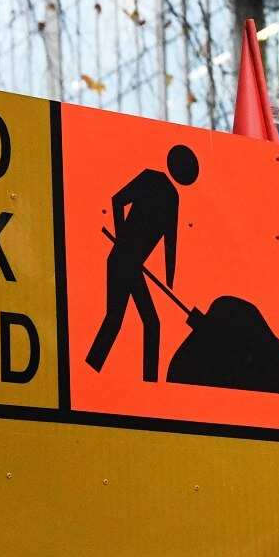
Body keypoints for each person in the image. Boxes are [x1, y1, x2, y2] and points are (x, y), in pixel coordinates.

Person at [86, 144, 199, 381]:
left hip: (129, 263)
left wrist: (170, 280)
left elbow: (171, 241)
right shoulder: (151, 179)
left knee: (136, 322)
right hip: (121, 261)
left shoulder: (171, 196)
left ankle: (102, 370)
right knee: (124, 321)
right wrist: (122, 240)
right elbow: (117, 200)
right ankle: (95, 372)